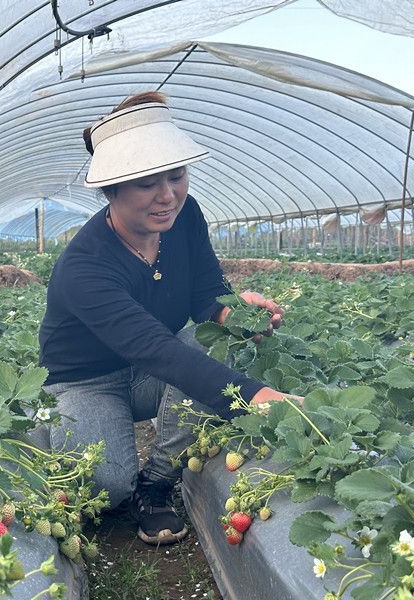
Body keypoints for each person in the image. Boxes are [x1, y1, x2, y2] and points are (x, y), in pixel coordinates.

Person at [39, 91, 295, 545]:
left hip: (149, 376)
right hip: (86, 382)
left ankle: (156, 482)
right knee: (104, 488)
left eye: (177, 176)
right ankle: (53, 430)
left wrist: (234, 313)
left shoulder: (185, 216)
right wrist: (259, 397)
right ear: (111, 190)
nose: (168, 195)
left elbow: (206, 295)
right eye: (146, 183)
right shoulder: (85, 266)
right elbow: (156, 349)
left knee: (211, 342)